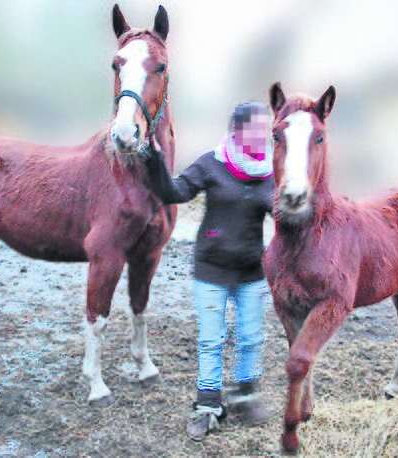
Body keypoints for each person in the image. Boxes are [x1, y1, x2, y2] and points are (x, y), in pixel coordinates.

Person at [143, 101, 274, 441]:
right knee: (211, 340)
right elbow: (174, 191)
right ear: (236, 130)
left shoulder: (271, 173)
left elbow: (287, 220)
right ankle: (208, 406)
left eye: (265, 130)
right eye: (253, 129)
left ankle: (246, 394)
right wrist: (156, 162)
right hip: (211, 270)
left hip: (251, 271)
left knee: (250, 337)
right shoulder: (212, 163)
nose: (260, 136)